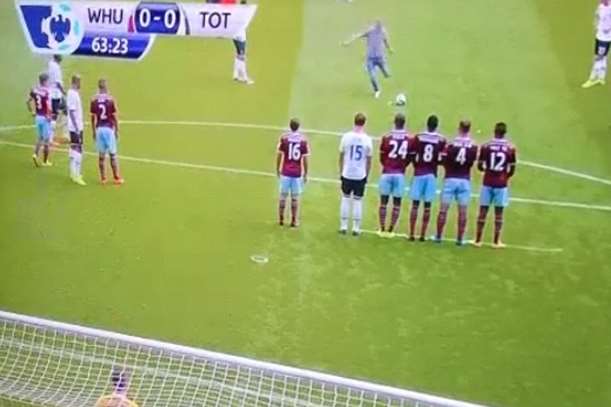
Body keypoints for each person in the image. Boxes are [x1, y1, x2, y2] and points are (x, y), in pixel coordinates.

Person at [434, 120, 478, 245]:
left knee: (443, 210)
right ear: (469, 129)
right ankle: (459, 239)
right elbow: (472, 162)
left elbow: (443, 160)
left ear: (459, 128)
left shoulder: (451, 144)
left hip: (450, 178)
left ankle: (438, 237)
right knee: (463, 211)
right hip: (464, 179)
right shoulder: (473, 146)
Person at [474, 122, 517, 249]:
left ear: (494, 131)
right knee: (499, 212)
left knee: (483, 210)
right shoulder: (510, 148)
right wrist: (505, 177)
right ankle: (496, 241)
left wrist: (487, 171)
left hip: (488, 181)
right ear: (505, 133)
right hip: (501, 183)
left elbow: (480, 166)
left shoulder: (486, 146)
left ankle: (478, 240)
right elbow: (512, 169)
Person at [408, 115, 446, 241]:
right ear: (437, 126)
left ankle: (412, 234)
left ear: (427, 124)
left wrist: (416, 165)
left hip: (419, 173)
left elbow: (412, 155)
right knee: (427, 206)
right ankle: (423, 235)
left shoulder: (418, 137)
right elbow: (441, 159)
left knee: (415, 205)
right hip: (431, 174)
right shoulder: (441, 140)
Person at [339, 113, 373, 235]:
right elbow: (369, 160)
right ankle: (356, 228)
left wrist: (341, 171)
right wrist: (367, 175)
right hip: (360, 174)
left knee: (345, 198)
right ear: (364, 123)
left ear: (354, 121)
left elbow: (341, 155)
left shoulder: (346, 137)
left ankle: (343, 226)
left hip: (347, 173)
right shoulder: (367, 139)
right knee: (358, 201)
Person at [377, 113, 411, 237]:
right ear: (404, 123)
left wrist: (386, 165)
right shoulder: (408, 139)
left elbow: (382, 157)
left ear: (394, 122)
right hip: (399, 174)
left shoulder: (386, 137)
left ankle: (382, 228)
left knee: (383, 202)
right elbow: (409, 158)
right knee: (397, 203)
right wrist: (402, 166)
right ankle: (391, 229)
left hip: (387, 172)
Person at [342, 20, 394, 98]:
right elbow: (358, 36)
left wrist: (389, 49)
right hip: (370, 58)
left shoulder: (383, 33)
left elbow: (386, 42)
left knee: (387, 74)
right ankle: (377, 90)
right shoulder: (370, 31)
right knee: (372, 76)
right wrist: (348, 42)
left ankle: (382, 70)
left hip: (380, 58)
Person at [276, 118, 310, 227]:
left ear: (290, 126)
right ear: (298, 127)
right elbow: (305, 159)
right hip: (296, 173)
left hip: (285, 172)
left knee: (282, 196)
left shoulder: (284, 139)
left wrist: (278, 168)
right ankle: (294, 221)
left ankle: (281, 219)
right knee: (295, 197)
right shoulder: (303, 140)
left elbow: (279, 154)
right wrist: (305, 173)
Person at [90, 79, 124, 185]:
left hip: (99, 128)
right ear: (106, 87)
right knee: (113, 154)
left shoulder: (94, 100)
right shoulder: (110, 99)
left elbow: (92, 117)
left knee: (101, 155)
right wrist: (117, 130)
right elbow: (114, 116)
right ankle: (116, 177)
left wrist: (93, 131)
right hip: (109, 129)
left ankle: (103, 178)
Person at [583, 0, 611, 88]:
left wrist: (607, 29)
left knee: (598, 57)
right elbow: (597, 16)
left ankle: (592, 79)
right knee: (603, 56)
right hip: (600, 36)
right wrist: (596, 24)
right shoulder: (601, 6)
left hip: (604, 38)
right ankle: (601, 78)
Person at [26, 73, 53, 167]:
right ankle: (45, 161)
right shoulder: (47, 91)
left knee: (40, 138)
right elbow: (49, 106)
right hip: (45, 117)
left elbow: (28, 101)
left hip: (38, 117)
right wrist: (49, 116)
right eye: (48, 80)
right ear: (45, 81)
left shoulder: (35, 89)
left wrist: (32, 111)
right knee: (46, 140)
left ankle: (35, 154)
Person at [66, 75, 86, 186]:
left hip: (75, 126)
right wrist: (77, 128)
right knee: (78, 150)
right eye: (79, 82)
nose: (80, 84)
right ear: (76, 82)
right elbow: (72, 112)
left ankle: (73, 173)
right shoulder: (72, 94)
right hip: (75, 127)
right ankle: (76, 175)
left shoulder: (72, 93)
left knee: (75, 149)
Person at [232, 0, 254, 85]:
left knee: (238, 54)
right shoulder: (244, 15)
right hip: (240, 37)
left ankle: (235, 75)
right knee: (242, 56)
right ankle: (245, 78)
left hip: (234, 35)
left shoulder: (237, 12)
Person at [47, 54, 66, 144]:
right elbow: (58, 83)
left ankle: (63, 134)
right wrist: (64, 92)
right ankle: (50, 138)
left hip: (52, 92)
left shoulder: (50, 64)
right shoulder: (56, 68)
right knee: (54, 116)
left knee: (64, 110)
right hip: (55, 94)